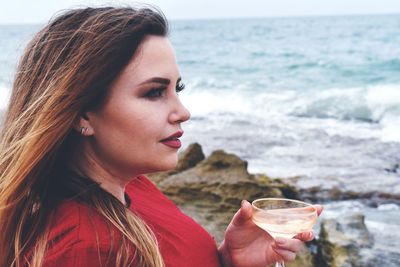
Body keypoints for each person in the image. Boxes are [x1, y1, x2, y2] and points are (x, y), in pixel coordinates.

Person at [0, 6, 322, 267]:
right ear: (82, 114)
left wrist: (228, 261)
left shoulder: (132, 185)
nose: (182, 112)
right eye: (154, 92)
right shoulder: (84, 247)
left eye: (176, 89)